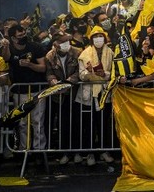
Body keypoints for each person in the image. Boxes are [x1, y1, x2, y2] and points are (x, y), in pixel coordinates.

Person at [76, 26, 114, 166]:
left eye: (101, 36)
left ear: (104, 38)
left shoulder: (110, 52)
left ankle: (104, 151)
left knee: (104, 123)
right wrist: (89, 72)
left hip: (104, 93)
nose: (99, 39)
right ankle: (90, 153)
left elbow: (113, 72)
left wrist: (105, 74)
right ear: (91, 39)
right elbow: (81, 75)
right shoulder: (85, 54)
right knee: (89, 124)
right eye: (96, 36)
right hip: (89, 94)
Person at [6, 25, 47, 151]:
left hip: (37, 90)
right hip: (19, 91)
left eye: (24, 33)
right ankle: (24, 149)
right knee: (23, 123)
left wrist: (30, 65)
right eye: (20, 35)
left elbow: (43, 67)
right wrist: (4, 46)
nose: (23, 36)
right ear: (13, 38)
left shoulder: (36, 47)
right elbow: (6, 58)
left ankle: (39, 149)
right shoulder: (9, 48)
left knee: (37, 122)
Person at [44, 30, 81, 165]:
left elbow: (79, 71)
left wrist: (69, 81)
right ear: (56, 44)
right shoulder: (50, 56)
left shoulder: (77, 52)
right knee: (63, 124)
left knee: (77, 123)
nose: (66, 44)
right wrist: (53, 82)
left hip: (75, 93)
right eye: (63, 41)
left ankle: (77, 152)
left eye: (67, 41)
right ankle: (65, 152)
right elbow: (49, 73)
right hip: (59, 96)